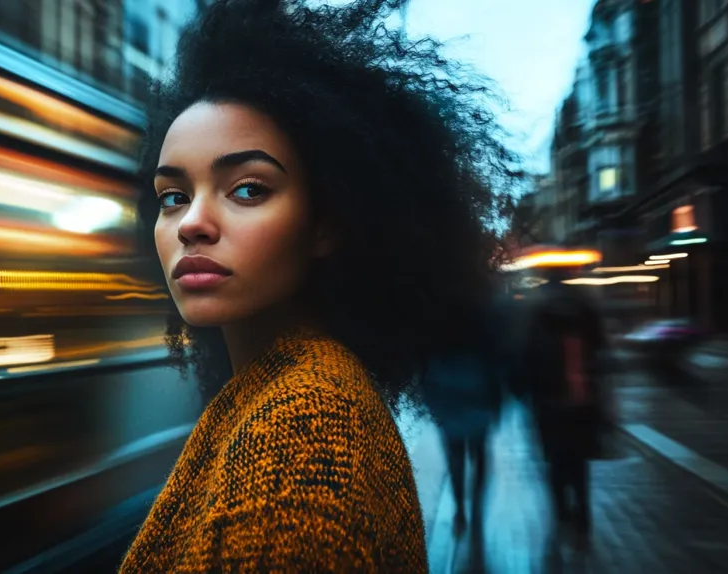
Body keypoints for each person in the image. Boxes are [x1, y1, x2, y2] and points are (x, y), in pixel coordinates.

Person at [119, 0, 518, 571]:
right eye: (173, 196)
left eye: (248, 189)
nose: (191, 223)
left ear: (326, 222)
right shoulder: (280, 392)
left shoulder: (302, 429)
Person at [523, 269, 609, 548]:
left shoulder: (539, 312)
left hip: (549, 402)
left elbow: (528, 359)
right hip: (583, 401)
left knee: (556, 460)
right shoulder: (584, 307)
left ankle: (562, 512)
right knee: (579, 461)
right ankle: (583, 515)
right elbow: (602, 353)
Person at [422, 304, 503, 540]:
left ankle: (460, 507)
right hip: (477, 400)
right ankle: (476, 506)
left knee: (456, 458)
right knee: (479, 454)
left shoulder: (438, 331)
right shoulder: (483, 330)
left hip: (450, 403)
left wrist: (431, 402)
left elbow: (427, 368)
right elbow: (494, 367)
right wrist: (496, 401)